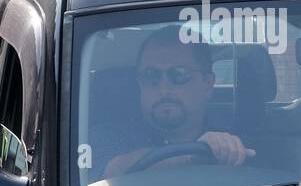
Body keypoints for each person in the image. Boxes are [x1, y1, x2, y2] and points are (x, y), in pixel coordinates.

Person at [101, 29, 254, 178]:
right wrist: (193, 156)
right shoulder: (107, 136)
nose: (164, 89)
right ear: (139, 83)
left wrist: (228, 151)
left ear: (208, 83)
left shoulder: (240, 137)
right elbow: (111, 175)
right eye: (150, 75)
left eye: (179, 74)